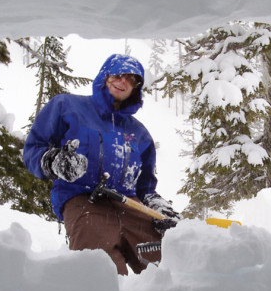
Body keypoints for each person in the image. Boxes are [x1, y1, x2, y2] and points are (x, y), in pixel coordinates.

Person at [23, 53, 180, 275]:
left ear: (136, 88)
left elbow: (146, 188)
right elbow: (33, 148)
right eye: (118, 74)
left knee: (168, 268)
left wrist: (158, 207)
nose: (123, 81)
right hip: (83, 201)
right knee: (99, 272)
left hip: (130, 205)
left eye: (131, 79)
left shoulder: (140, 134)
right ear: (105, 75)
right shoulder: (67, 107)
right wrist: (54, 161)